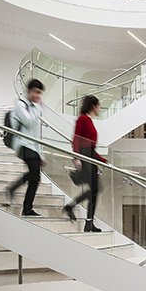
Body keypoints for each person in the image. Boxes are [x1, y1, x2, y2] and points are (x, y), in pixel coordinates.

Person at [63, 95, 106, 232]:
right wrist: (75, 157)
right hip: (84, 157)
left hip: (90, 157)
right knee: (95, 189)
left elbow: (92, 149)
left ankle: (88, 222)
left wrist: (104, 161)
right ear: (93, 105)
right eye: (99, 105)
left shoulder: (89, 120)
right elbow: (76, 138)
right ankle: (78, 212)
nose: (100, 108)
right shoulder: (82, 119)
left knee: (95, 190)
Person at [5, 79, 44, 216]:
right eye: (36, 92)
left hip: (33, 147)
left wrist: (41, 155)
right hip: (22, 145)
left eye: (40, 93)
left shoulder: (34, 108)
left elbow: (36, 134)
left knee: (35, 177)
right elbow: (28, 122)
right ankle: (26, 209)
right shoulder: (20, 105)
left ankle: (14, 191)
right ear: (29, 91)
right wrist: (39, 108)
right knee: (34, 175)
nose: (38, 96)